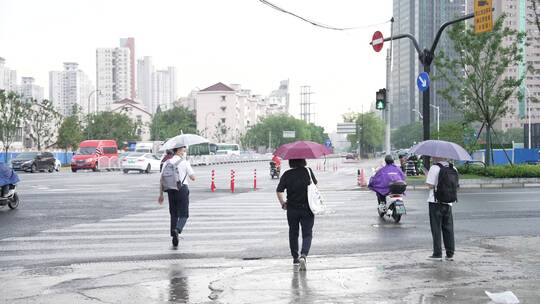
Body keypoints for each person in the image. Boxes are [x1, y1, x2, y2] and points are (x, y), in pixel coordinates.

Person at [276, 159, 317, 271]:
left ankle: (295, 258)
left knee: (293, 233)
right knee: (307, 234)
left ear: (291, 162)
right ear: (303, 161)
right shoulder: (308, 171)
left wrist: (283, 203)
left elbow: (279, 191)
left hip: (292, 209)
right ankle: (303, 255)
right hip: (307, 208)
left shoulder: (287, 174)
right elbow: (315, 186)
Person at [158, 146, 195, 247]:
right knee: (184, 214)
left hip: (170, 190)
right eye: (183, 149)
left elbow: (161, 179)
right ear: (178, 150)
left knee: (174, 214)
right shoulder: (184, 162)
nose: (184, 151)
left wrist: (161, 194)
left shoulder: (167, 162)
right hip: (182, 189)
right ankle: (177, 230)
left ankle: (174, 237)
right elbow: (193, 178)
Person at [425, 157, 458, 261]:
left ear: (437, 156)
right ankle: (450, 253)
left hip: (435, 202)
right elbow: (456, 185)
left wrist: (427, 177)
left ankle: (437, 254)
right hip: (449, 202)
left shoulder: (434, 168)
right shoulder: (454, 168)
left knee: (436, 229)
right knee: (448, 228)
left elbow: (430, 186)